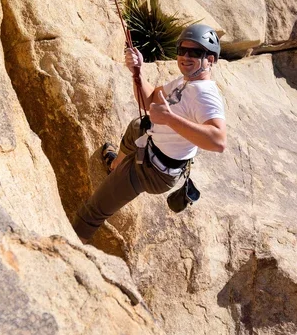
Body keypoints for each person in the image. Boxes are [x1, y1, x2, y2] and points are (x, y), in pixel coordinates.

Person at [71, 24, 227, 243]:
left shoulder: (205, 95)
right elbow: (149, 100)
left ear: (210, 60)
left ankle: (70, 248)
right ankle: (115, 167)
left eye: (195, 53)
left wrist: (170, 119)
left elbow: (218, 141)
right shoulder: (185, 81)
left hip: (154, 171)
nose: (185, 57)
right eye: (182, 50)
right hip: (152, 144)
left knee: (93, 211)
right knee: (138, 125)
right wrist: (138, 73)